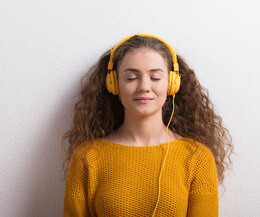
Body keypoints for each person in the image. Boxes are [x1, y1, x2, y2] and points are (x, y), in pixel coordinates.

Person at [61, 33, 233, 216]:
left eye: (155, 77)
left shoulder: (197, 157)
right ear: (114, 84)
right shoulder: (87, 157)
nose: (144, 86)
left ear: (172, 84)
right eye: (131, 78)